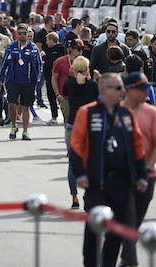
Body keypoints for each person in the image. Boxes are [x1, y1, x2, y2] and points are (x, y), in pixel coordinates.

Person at [70, 73, 148, 267]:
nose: (123, 91)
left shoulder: (126, 114)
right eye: (118, 88)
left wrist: (142, 175)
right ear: (104, 90)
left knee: (117, 232)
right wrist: (80, 174)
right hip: (97, 183)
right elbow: (76, 145)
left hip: (122, 183)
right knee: (94, 228)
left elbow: (138, 147)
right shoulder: (87, 112)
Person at [119, 72, 156, 267]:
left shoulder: (151, 112)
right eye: (142, 88)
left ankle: (125, 258)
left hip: (147, 176)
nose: (147, 91)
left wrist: (148, 165)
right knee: (128, 221)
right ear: (129, 90)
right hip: (122, 177)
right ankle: (132, 263)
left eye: (148, 87)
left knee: (134, 222)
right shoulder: (115, 111)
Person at [61, 55, 98, 208]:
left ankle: (74, 197)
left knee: (72, 162)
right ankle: (89, 194)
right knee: (92, 162)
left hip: (72, 124)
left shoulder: (69, 84)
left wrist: (72, 76)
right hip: (89, 125)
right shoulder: (93, 85)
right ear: (87, 69)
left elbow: (65, 94)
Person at [0, 23, 42, 141]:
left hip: (28, 82)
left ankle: (25, 131)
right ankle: (13, 126)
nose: (22, 35)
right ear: (17, 34)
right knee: (12, 104)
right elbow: (3, 64)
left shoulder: (33, 48)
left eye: (24, 33)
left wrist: (36, 81)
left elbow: (39, 65)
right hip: (13, 80)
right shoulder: (11, 46)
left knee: (26, 106)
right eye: (20, 33)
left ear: (28, 33)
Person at [52, 39, 85, 122]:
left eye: (82, 49)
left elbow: (87, 78)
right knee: (68, 121)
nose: (80, 51)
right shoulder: (60, 61)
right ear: (71, 49)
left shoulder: (84, 62)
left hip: (80, 97)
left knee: (79, 122)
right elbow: (54, 78)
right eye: (78, 49)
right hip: (65, 97)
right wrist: (58, 95)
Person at [42, 31, 65, 125]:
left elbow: (52, 62)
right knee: (52, 97)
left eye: (47, 40)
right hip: (50, 76)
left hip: (56, 77)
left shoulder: (59, 49)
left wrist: (44, 58)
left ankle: (57, 117)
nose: (46, 43)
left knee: (56, 97)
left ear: (52, 40)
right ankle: (54, 117)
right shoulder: (49, 49)